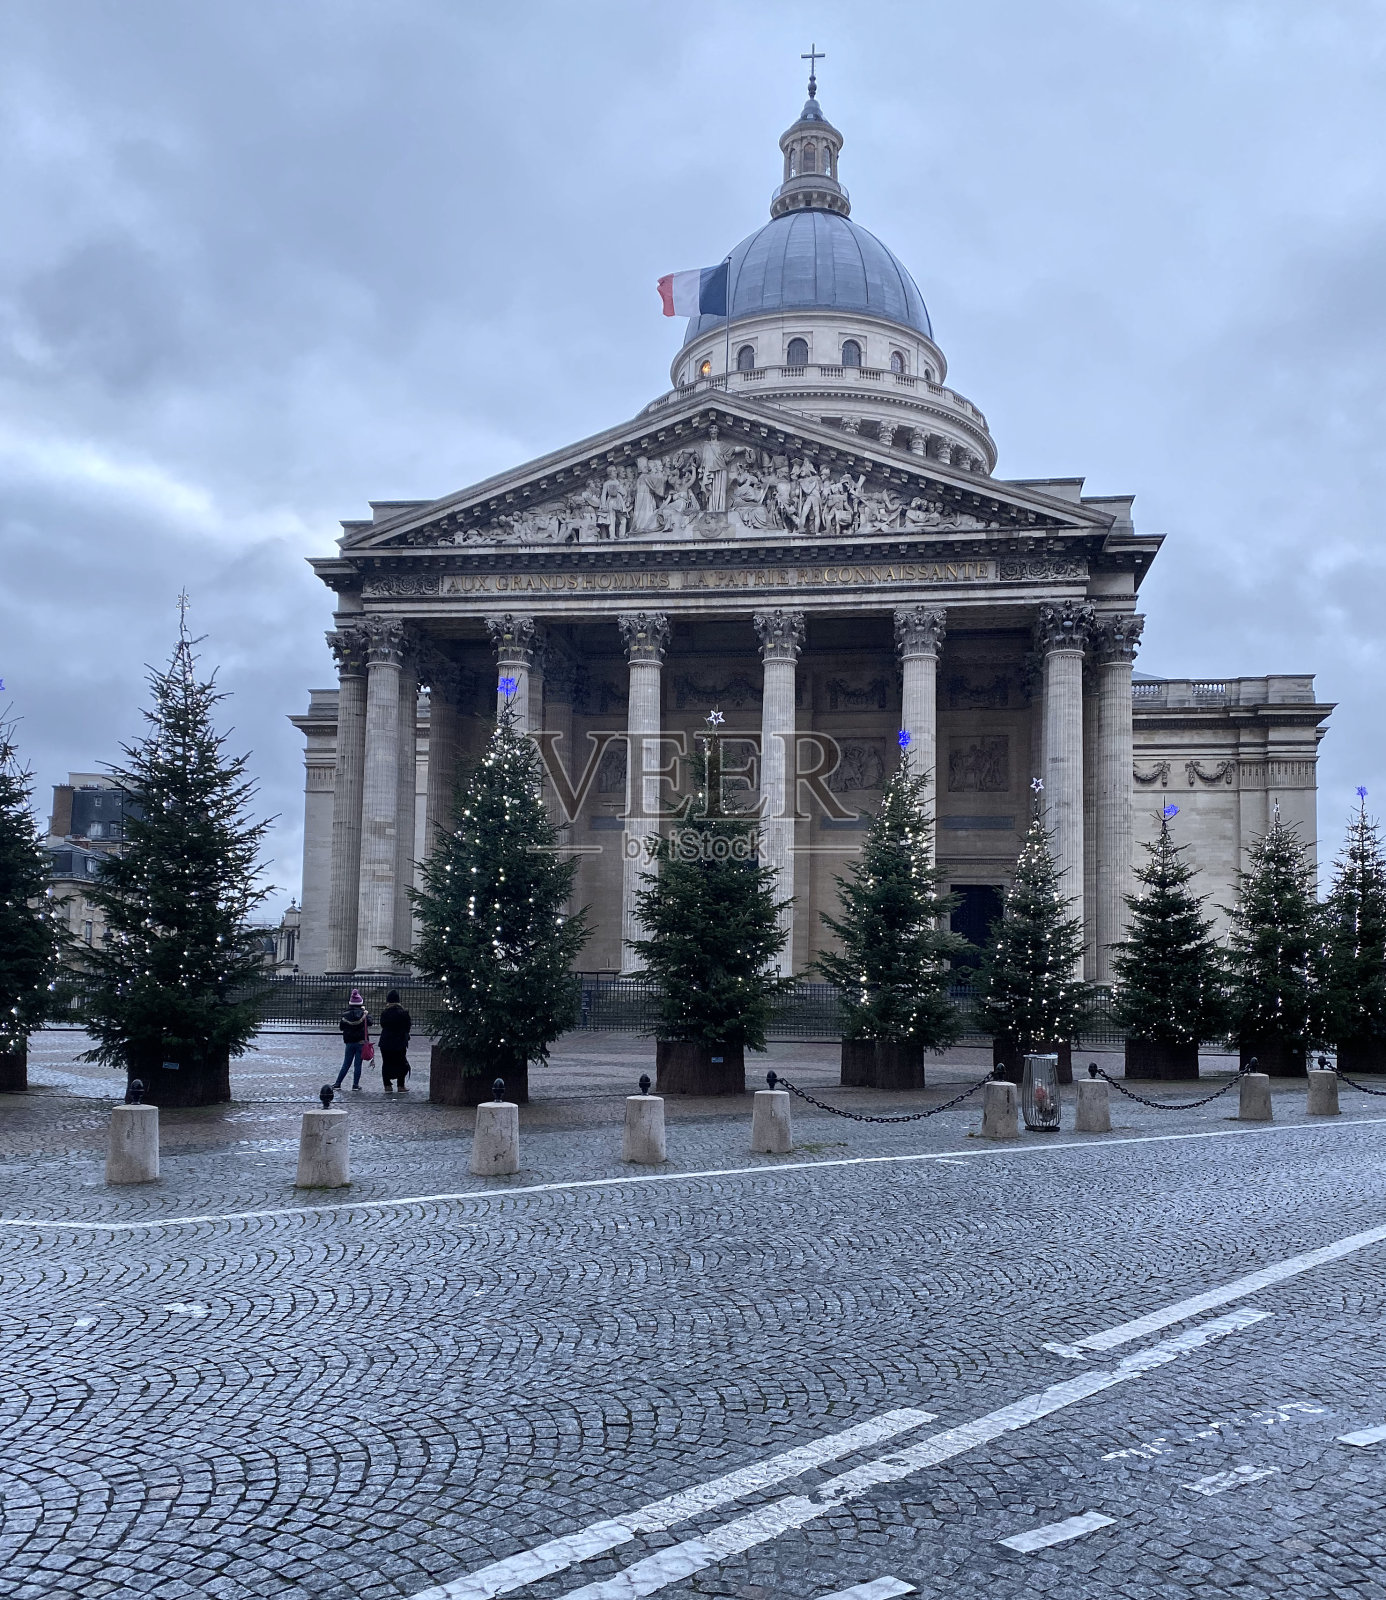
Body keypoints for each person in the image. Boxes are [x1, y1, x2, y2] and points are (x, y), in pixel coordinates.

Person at [335, 989, 371, 1091]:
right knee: (358, 1065)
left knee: (346, 1064)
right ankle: (355, 1085)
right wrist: (365, 1013)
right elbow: (370, 1022)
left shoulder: (345, 1015)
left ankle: (338, 1083)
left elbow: (341, 1028)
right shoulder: (364, 1014)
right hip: (360, 1042)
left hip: (349, 1042)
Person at [378, 989, 412, 1093]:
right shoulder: (403, 1013)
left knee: (386, 1063)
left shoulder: (385, 1013)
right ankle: (400, 1085)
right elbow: (407, 1027)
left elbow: (382, 1025)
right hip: (399, 1042)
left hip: (386, 1042)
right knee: (401, 1063)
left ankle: (387, 1085)